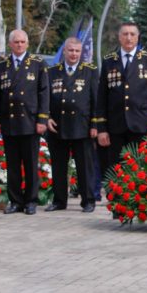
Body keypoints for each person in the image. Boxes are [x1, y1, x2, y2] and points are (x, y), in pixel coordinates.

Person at [94, 21, 147, 196]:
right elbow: (102, 97)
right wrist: (101, 128)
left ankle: (139, 204)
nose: (128, 37)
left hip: (140, 124)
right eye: (125, 34)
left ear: (138, 37)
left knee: (140, 167)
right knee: (116, 167)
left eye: (132, 34)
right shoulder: (109, 61)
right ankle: (117, 204)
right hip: (115, 125)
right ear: (119, 37)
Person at [0, 29, 49, 216]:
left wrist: (42, 119)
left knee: (31, 164)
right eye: (16, 42)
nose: (19, 45)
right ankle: (15, 201)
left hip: (30, 121)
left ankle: (31, 201)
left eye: (22, 42)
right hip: (9, 121)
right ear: (10, 44)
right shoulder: (2, 65)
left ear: (27, 44)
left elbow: (43, 93)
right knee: (13, 164)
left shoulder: (38, 64)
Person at [45, 37, 98, 213]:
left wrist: (94, 125)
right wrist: (46, 117)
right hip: (57, 126)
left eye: (77, 51)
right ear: (64, 52)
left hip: (81, 126)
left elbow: (95, 100)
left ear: (81, 52)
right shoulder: (52, 71)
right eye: (70, 50)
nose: (74, 54)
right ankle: (59, 200)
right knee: (58, 166)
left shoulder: (90, 71)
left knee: (84, 166)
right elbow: (44, 97)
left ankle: (88, 200)